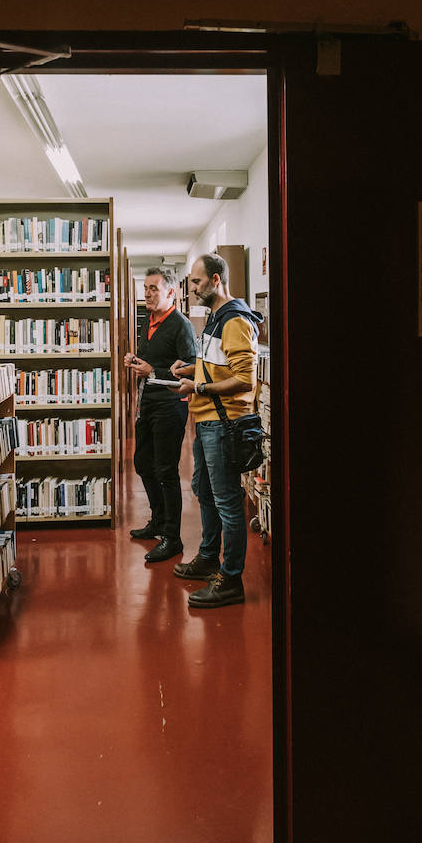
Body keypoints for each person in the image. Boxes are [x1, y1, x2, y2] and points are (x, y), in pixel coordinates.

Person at [170, 253, 263, 607]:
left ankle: (231, 579)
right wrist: (189, 369)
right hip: (206, 419)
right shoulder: (214, 320)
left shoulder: (235, 321)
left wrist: (199, 388)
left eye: (196, 282)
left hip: (224, 424)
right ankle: (209, 556)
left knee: (227, 502)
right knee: (203, 490)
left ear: (215, 279)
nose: (191, 288)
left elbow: (244, 379)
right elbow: (216, 366)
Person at [123, 267, 197, 563]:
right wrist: (137, 361)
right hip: (148, 403)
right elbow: (152, 359)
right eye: (146, 289)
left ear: (171, 292)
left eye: (154, 288)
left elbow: (190, 366)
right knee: (142, 462)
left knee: (166, 470)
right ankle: (158, 519)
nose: (148, 294)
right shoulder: (149, 321)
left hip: (170, 405)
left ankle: (172, 537)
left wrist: (153, 371)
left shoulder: (181, 325)